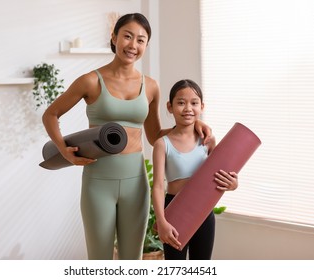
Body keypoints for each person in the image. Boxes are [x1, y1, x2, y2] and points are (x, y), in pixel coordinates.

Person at [42, 13, 213, 260]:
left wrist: (193, 124)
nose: (133, 45)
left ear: (146, 45)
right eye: (128, 36)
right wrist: (64, 150)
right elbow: (51, 114)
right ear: (114, 37)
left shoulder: (151, 86)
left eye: (141, 40)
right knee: (99, 258)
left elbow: (155, 135)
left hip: (136, 183)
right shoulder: (90, 81)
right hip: (98, 181)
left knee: (132, 259)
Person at [152, 79, 238, 260]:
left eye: (194, 103)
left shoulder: (208, 141)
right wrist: (162, 221)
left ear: (202, 106)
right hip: (174, 210)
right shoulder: (162, 144)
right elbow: (159, 186)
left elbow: (224, 173)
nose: (188, 108)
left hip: (204, 212)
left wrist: (233, 184)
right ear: (169, 106)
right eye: (181, 103)